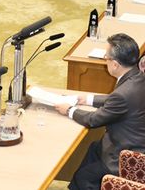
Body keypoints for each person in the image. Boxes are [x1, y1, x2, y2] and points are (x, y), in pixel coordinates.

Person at [55, 33, 145, 190]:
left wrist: (69, 110)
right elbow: (118, 101)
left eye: (106, 57)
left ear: (115, 64)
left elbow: (93, 120)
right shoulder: (138, 77)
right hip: (133, 142)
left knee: (83, 177)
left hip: (128, 156)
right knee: (94, 147)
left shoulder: (123, 94)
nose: (105, 59)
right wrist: (88, 99)